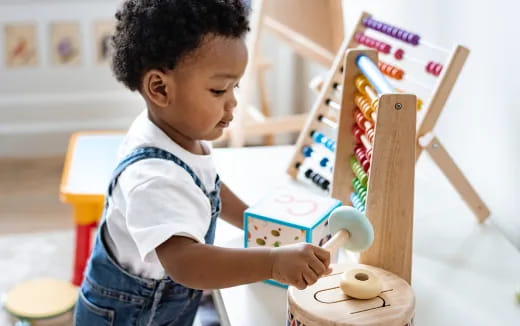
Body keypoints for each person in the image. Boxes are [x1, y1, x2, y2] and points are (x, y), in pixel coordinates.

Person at [74, 1, 331, 325]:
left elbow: (209, 188)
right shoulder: (153, 177)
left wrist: (255, 220)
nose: (233, 100)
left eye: (234, 86)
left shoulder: (180, 134)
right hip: (127, 316)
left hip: (163, 306)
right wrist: (272, 262)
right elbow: (187, 264)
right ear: (160, 88)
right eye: (219, 89)